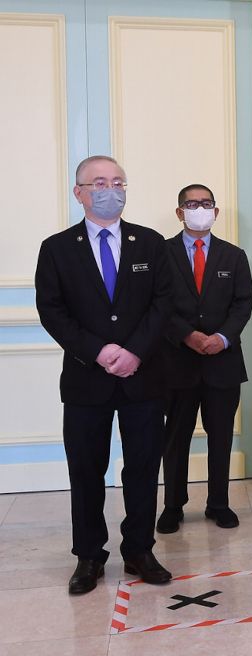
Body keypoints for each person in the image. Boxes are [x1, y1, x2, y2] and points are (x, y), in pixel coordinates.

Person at [35, 155, 173, 594]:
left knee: (143, 467)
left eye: (117, 181)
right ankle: (89, 555)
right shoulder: (57, 248)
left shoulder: (150, 243)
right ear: (79, 193)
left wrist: (134, 350)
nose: (109, 189)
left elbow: (164, 304)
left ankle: (139, 549)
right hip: (84, 379)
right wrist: (98, 350)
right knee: (87, 470)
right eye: (98, 182)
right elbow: (51, 310)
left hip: (144, 377)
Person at [156, 184, 252, 534]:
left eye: (207, 203)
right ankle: (173, 505)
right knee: (176, 437)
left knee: (221, 436)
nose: (201, 208)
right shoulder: (161, 253)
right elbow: (157, 303)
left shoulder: (234, 255)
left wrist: (223, 338)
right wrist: (187, 335)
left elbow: (244, 303)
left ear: (216, 211)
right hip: (176, 362)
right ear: (180, 212)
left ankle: (219, 503)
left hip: (223, 362)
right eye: (193, 203)